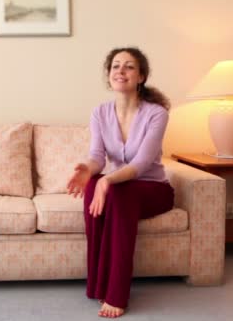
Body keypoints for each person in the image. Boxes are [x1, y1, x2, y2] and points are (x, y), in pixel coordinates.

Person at [67, 47, 174, 318]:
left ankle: (116, 293)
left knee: (116, 193)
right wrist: (89, 172)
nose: (121, 71)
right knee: (94, 186)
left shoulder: (156, 113)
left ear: (141, 76)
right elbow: (97, 157)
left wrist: (108, 182)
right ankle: (97, 285)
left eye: (128, 66)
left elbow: (142, 163)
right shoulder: (100, 113)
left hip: (153, 188)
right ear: (108, 74)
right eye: (115, 66)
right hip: (121, 187)